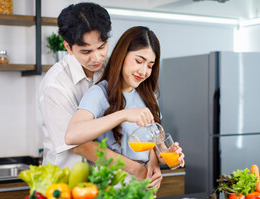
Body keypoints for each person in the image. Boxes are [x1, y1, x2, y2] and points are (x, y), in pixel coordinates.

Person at [39, 3, 161, 186]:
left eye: (102, 47)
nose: (97, 58)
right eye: (86, 51)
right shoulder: (55, 86)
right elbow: (80, 145)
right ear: (68, 47)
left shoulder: (113, 69)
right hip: (66, 183)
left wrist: (153, 161)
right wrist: (137, 169)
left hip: (102, 184)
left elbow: (137, 129)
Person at [65, 26, 185, 184]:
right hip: (112, 187)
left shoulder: (149, 97)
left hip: (145, 187)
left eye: (150, 66)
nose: (143, 71)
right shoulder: (100, 93)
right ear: (122, 55)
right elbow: (72, 137)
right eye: (139, 61)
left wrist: (166, 155)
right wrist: (124, 114)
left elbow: (156, 145)